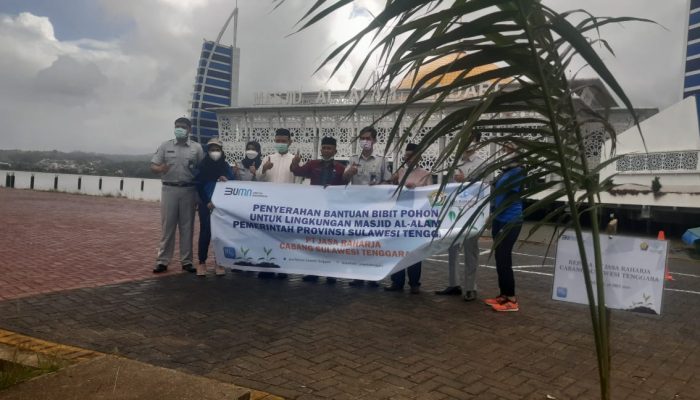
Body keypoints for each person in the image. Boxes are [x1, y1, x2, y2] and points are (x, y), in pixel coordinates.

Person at [151, 117, 204, 274]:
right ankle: (162, 261)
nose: (179, 129)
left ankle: (186, 261)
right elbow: (153, 165)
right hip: (169, 190)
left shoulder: (197, 148)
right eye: (177, 126)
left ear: (189, 129)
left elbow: (202, 170)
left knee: (187, 228)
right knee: (168, 226)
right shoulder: (165, 146)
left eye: (182, 126)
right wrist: (160, 169)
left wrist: (199, 196)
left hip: (189, 190)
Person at [435, 134, 485, 301]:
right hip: (454, 212)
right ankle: (453, 283)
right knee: (452, 248)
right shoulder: (456, 162)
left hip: (472, 212)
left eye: (471, 139)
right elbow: (448, 187)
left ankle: (471, 288)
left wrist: (467, 180)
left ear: (477, 143)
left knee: (471, 250)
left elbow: (485, 188)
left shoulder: (482, 163)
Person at [291, 136, 346, 284]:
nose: (326, 150)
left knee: (331, 242)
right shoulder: (312, 164)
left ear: (335, 150)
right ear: (321, 149)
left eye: (329, 148)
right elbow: (297, 172)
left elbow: (346, 184)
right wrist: (295, 162)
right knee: (313, 240)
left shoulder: (341, 168)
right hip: (315, 209)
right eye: (324, 147)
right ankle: (312, 272)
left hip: (332, 210)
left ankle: (331, 273)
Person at [344, 126, 390, 287]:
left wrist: (378, 185)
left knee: (373, 243)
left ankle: (372, 275)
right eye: (362, 138)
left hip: (374, 208)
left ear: (375, 140)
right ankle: (358, 275)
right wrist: (349, 173)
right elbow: (344, 180)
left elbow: (388, 181)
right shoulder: (353, 159)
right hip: (357, 208)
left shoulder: (381, 160)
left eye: (368, 138)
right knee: (357, 242)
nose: (365, 141)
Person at [385, 143, 432, 294]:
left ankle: (414, 283)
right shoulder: (400, 172)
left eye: (412, 155)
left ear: (419, 157)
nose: (409, 158)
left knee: (414, 250)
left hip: (416, 216)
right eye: (406, 156)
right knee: (397, 249)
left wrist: (416, 189)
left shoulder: (425, 174)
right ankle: (397, 282)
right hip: (399, 215)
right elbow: (389, 188)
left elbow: (430, 195)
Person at [484, 142, 524, 312]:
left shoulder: (518, 171)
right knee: (500, 259)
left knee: (504, 258)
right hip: (499, 218)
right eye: (504, 148)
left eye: (508, 148)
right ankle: (504, 294)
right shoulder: (506, 170)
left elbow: (509, 196)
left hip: (510, 219)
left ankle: (512, 299)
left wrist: (493, 214)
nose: (504, 150)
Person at [256, 129, 296, 279]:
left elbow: (300, 181)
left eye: (283, 141)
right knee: (266, 235)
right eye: (278, 141)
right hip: (269, 205)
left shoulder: (294, 159)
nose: (280, 144)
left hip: (286, 205)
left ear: (289, 142)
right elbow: (258, 178)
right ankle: (266, 266)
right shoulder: (268, 158)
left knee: (283, 237)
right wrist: (264, 169)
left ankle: (282, 267)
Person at [195, 138, 235, 277]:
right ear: (208, 151)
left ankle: (220, 262)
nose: (215, 152)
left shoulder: (225, 167)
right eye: (212, 150)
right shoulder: (203, 166)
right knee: (205, 232)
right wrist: (207, 202)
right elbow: (199, 185)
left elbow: (232, 184)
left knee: (220, 234)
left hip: (221, 206)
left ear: (222, 151)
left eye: (217, 150)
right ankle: (201, 262)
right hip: (206, 204)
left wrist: (227, 180)